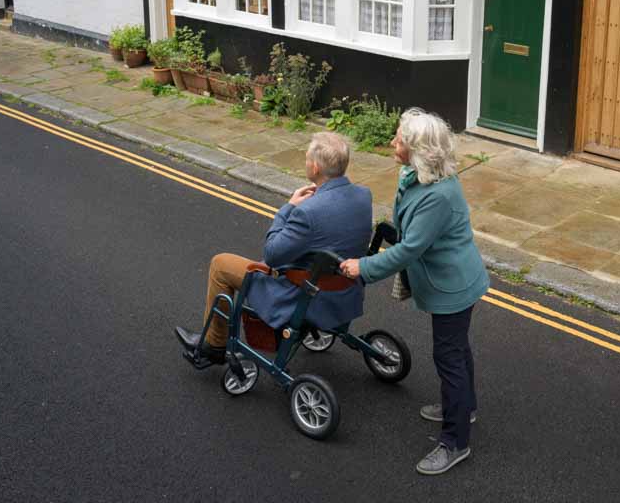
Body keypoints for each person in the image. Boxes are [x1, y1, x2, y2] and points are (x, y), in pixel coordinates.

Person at [340, 108, 488, 476]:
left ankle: (455, 442)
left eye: (399, 139)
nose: (393, 142)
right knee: (456, 350)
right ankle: (464, 407)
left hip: (452, 286)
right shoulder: (418, 176)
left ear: (418, 150)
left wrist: (364, 268)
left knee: (448, 356)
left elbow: (410, 249)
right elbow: (405, 227)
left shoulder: (438, 195)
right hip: (452, 279)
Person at [175, 132, 372, 363]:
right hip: (346, 292)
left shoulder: (306, 212)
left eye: (307, 158)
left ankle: (214, 344)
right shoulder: (363, 195)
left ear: (316, 168)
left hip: (305, 297)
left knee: (220, 264)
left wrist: (287, 208)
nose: (306, 162)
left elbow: (273, 254)